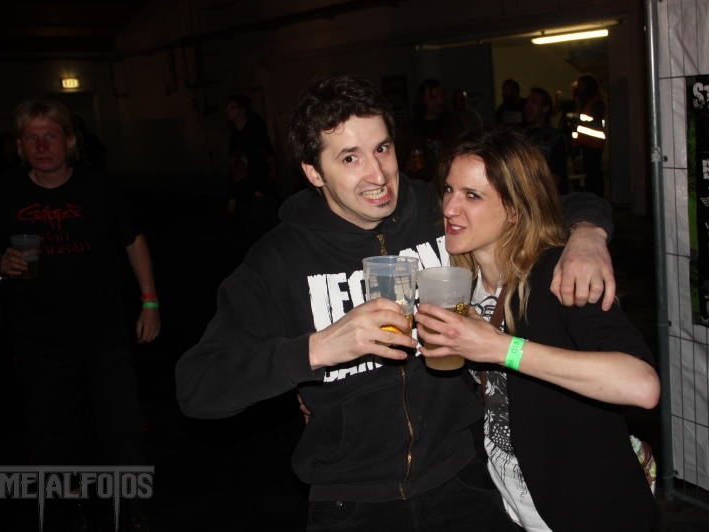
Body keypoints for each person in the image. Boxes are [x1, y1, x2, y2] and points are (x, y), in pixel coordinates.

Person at [175, 74, 616, 532]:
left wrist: (587, 233)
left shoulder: (437, 210)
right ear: (313, 172)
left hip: (463, 479)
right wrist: (317, 349)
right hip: (352, 502)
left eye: (382, 148)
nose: (378, 175)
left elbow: (534, 203)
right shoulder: (279, 260)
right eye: (350, 158)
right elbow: (197, 385)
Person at [414, 126, 660, 531]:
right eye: (448, 190)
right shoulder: (459, 283)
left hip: (586, 510)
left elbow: (641, 385)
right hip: (511, 510)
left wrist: (502, 349)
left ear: (514, 209)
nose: (450, 208)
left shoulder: (559, 276)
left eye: (472, 196)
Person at [0, 98, 159, 529]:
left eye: (50, 135)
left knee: (120, 422)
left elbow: (133, 241)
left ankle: (133, 507)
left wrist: (149, 302)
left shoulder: (98, 187)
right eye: (31, 138)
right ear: (19, 145)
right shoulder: (6, 192)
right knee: (51, 427)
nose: (41, 146)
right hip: (37, 334)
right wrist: (0, 263)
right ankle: (67, 507)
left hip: (102, 329)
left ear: (69, 141)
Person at [226, 92, 280, 247]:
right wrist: (233, 196)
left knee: (266, 235)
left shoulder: (256, 132)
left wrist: (262, 188)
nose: (228, 111)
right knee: (251, 236)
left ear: (242, 110)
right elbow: (234, 167)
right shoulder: (234, 137)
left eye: (232, 107)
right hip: (243, 193)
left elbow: (268, 160)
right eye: (228, 107)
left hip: (258, 193)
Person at [398, 78, 465, 181]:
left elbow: (464, 151)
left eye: (442, 96)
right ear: (422, 100)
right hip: (420, 184)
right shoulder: (409, 128)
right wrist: (407, 166)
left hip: (450, 180)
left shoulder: (453, 125)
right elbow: (399, 162)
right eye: (433, 97)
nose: (439, 101)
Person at [522, 87, 569, 195]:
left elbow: (555, 178)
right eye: (527, 102)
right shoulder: (519, 137)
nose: (528, 106)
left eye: (534, 102)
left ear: (545, 109)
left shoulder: (555, 138)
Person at [571, 74, 607, 197]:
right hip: (586, 142)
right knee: (589, 173)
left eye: (581, 85)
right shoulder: (585, 102)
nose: (579, 88)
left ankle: (597, 197)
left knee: (593, 173)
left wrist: (577, 121)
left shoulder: (596, 102)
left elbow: (595, 121)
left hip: (594, 143)